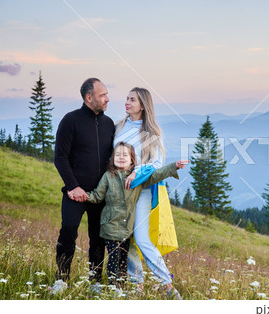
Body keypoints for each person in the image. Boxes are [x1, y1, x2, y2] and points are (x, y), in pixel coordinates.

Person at [83, 141, 188, 288]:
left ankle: (120, 286)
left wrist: (173, 166)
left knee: (123, 260)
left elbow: (156, 175)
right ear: (112, 158)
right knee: (114, 258)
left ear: (132, 160)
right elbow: (97, 195)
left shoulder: (137, 180)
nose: (121, 157)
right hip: (111, 226)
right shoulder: (108, 176)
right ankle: (113, 287)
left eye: (125, 155)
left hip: (127, 228)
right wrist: (83, 196)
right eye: (117, 154)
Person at [114, 87, 180, 298]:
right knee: (126, 237)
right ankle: (136, 285)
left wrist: (136, 173)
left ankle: (168, 286)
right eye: (126, 98)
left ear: (142, 105)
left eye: (132, 99)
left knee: (142, 239)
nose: (127, 102)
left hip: (140, 189)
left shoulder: (151, 133)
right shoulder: (119, 127)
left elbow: (157, 163)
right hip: (118, 190)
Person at [53, 78, 115, 288]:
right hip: (74, 193)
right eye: (102, 95)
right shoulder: (70, 120)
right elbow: (60, 157)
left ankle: (95, 282)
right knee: (68, 232)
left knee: (98, 239)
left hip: (100, 195)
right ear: (89, 98)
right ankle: (61, 280)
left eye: (107, 94)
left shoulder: (108, 124)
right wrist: (73, 186)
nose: (108, 98)